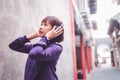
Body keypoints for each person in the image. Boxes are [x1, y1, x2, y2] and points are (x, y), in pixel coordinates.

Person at [9, 16, 64, 80]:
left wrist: (46, 38)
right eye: (41, 24)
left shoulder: (57, 48)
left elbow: (35, 54)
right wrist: (34, 35)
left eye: (45, 25)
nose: (41, 27)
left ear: (55, 29)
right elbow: (13, 45)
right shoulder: (37, 46)